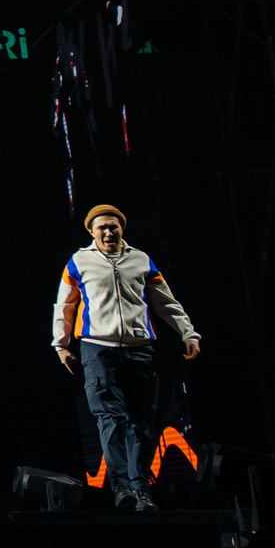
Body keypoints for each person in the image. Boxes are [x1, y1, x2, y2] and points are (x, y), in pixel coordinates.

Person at [53, 203, 200, 511]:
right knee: (109, 418)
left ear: (122, 229)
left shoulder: (141, 260)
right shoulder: (79, 262)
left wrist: (188, 333)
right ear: (91, 231)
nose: (108, 231)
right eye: (102, 227)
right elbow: (64, 306)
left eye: (113, 226)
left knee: (141, 421)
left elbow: (166, 302)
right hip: (97, 347)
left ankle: (141, 488)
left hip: (139, 349)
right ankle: (121, 487)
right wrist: (62, 344)